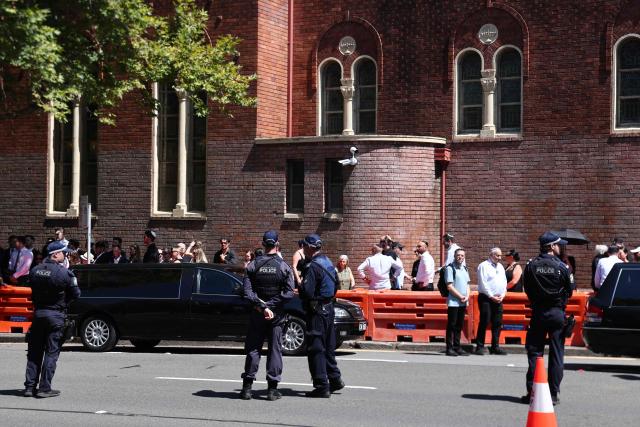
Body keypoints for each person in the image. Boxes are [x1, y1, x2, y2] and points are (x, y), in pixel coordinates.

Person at [239, 231, 295, 401]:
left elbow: (247, 292)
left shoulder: (253, 266)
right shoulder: (284, 266)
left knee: (253, 349)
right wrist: (270, 306)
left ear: (263, 244)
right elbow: (288, 293)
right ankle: (272, 390)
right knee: (275, 351)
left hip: (257, 313)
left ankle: (247, 388)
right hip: (276, 315)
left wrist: (262, 306)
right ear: (277, 244)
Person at [521, 232, 573, 406]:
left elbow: (526, 288)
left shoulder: (531, 265)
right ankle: (553, 393)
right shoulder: (562, 267)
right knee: (557, 353)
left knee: (535, 352)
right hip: (557, 313)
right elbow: (569, 291)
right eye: (559, 245)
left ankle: (533, 392)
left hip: (538, 313)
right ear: (551, 246)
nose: (561, 247)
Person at [23, 240, 81, 398]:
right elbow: (76, 294)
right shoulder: (64, 273)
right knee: (51, 352)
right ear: (55, 254)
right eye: (64, 252)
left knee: (34, 352)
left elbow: (32, 291)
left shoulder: (35, 270)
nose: (66, 255)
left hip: (39, 314)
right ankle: (44, 389)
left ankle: (29, 387)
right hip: (55, 315)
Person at [299, 234, 344, 398]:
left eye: (304, 245)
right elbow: (336, 285)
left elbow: (308, 292)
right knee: (328, 345)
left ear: (310, 247)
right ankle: (335, 378)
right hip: (329, 307)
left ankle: (321, 385)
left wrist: (300, 283)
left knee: (316, 348)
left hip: (317, 310)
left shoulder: (313, 266)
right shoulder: (328, 262)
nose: (303, 248)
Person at [474, 248, 508, 355]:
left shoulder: (501, 267)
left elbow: (504, 282)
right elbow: (483, 283)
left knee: (497, 322)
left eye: (500, 256)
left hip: (498, 298)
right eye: (497, 256)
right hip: (486, 298)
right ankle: (480, 346)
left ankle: (495, 346)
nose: (500, 258)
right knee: (484, 321)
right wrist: (491, 296)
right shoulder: (483, 266)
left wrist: (502, 295)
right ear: (491, 255)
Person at [444, 248, 470, 357]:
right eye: (458, 255)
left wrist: (467, 296)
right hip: (454, 302)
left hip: (463, 302)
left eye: (462, 255)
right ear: (455, 256)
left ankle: (457, 346)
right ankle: (449, 348)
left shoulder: (465, 268)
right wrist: (460, 296)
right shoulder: (450, 268)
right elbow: (449, 286)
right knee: (452, 325)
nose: (460, 257)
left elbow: (467, 285)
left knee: (459, 325)